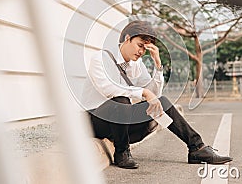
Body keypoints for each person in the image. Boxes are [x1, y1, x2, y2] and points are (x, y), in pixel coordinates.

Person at [81, 20, 232, 169]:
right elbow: (109, 89)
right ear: (127, 38)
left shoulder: (136, 64)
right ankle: (122, 153)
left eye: (144, 48)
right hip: (95, 120)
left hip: (121, 124)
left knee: (162, 102)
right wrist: (144, 92)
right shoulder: (100, 58)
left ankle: (197, 148)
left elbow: (154, 95)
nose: (141, 52)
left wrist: (158, 65)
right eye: (140, 45)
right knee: (121, 100)